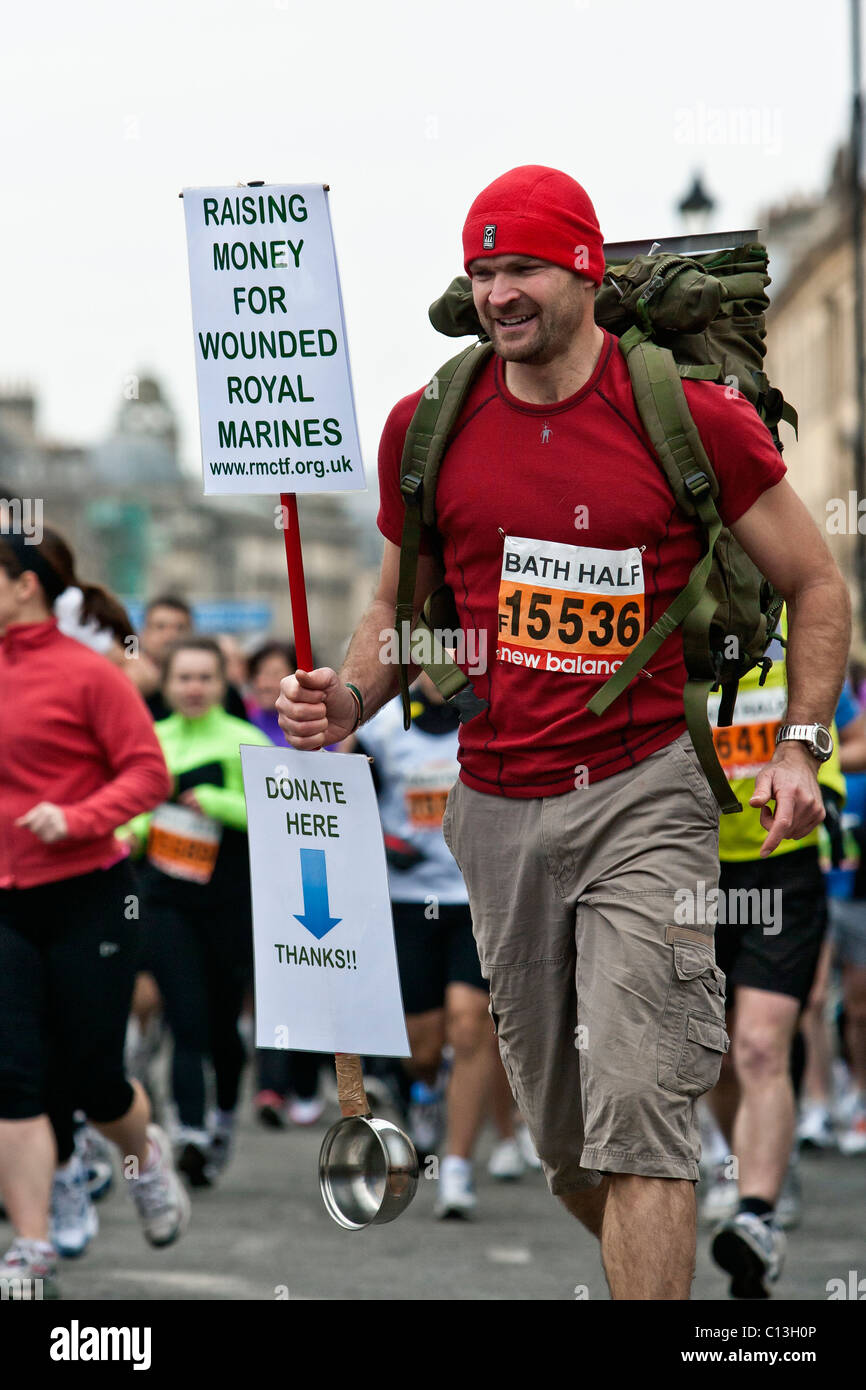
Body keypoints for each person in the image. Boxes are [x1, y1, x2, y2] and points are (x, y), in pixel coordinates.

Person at [276, 165, 850, 1300]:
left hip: (645, 790)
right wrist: (345, 700)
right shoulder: (427, 424)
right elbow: (394, 614)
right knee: (568, 1142)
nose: (497, 292)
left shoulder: (686, 418)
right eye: (481, 271)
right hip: (495, 806)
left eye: (522, 267)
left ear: (585, 268)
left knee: (641, 1113)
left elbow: (815, 581)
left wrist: (800, 741)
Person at [0, 529, 189, 1299]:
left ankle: (146, 1157)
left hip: (89, 894)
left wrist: (75, 818)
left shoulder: (89, 674)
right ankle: (32, 1248)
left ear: (25, 587)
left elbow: (150, 774)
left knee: (92, 1079)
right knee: (12, 1079)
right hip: (4, 902)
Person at [700, 618, 846, 1298]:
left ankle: (756, 1213)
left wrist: (817, 789)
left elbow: (824, 745)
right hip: (689, 866)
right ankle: (749, 1161)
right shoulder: (671, 606)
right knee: (719, 1055)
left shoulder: (798, 615)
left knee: (762, 1045)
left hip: (780, 866)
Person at [347, 673, 499, 1217]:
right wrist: (383, 842)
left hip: (476, 898)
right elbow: (345, 794)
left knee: (470, 1022)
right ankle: (426, 1095)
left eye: (454, 654)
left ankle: (456, 1170)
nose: (441, 671)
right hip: (407, 900)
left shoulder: (490, 718)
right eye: (429, 657)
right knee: (425, 1046)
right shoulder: (386, 728)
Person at [124, 637, 271, 1186]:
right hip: (164, 900)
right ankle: (190, 1132)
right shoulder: (149, 738)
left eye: (205, 678)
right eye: (183, 678)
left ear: (221, 684)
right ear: (166, 684)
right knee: (184, 1018)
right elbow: (129, 809)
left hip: (229, 902)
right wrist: (133, 831)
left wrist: (216, 804)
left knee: (220, 1028)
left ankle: (224, 1118)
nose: (193, 688)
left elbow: (272, 811)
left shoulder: (243, 740)